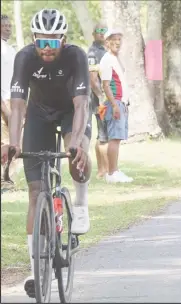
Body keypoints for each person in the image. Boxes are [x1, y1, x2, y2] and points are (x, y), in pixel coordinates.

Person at [0, 9, 92, 298]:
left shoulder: (75, 56)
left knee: (76, 155)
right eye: (42, 42)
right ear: (33, 40)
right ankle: (35, 268)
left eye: (53, 42)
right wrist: (14, 142)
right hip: (39, 114)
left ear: (63, 41)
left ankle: (80, 203)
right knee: (35, 191)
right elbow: (17, 106)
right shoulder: (24, 57)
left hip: (71, 113)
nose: (47, 49)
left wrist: (76, 143)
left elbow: (80, 106)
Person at [98, 28, 133, 183]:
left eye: (119, 39)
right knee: (114, 138)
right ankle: (112, 173)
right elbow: (106, 85)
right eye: (114, 39)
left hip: (121, 101)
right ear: (107, 42)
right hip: (114, 102)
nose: (117, 42)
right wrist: (115, 105)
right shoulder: (107, 59)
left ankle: (115, 170)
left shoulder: (115, 58)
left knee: (117, 139)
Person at [88, 23, 109, 179]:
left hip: (107, 98)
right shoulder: (93, 53)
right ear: (94, 34)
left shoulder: (105, 50)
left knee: (104, 133)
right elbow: (93, 80)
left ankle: (104, 170)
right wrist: (102, 98)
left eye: (104, 31)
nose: (102, 34)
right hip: (99, 100)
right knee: (103, 134)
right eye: (99, 31)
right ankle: (104, 170)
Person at [1, 14, 18, 181]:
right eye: (4, 25)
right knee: (7, 142)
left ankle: (8, 177)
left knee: (13, 141)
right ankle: (6, 178)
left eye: (9, 25)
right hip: (4, 101)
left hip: (12, 100)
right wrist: (5, 108)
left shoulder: (9, 48)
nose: (8, 28)